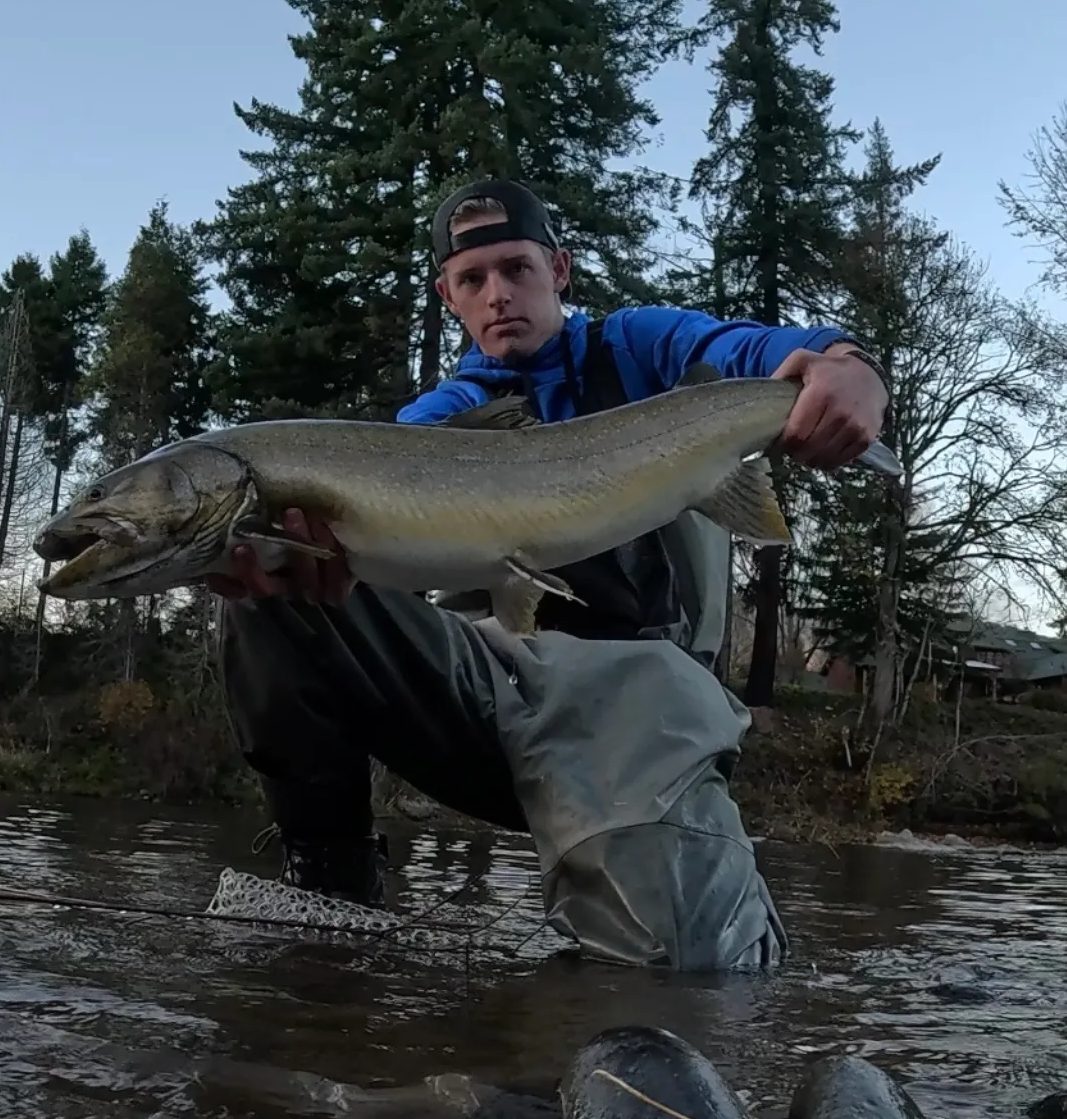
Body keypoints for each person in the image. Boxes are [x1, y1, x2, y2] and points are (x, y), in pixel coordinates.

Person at [208, 179, 889, 968]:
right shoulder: (427, 427)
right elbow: (370, 592)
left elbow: (757, 352)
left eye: (517, 269)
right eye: (473, 279)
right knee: (268, 587)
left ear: (558, 270)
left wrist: (850, 368)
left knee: (691, 968)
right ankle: (331, 886)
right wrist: (311, 574)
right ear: (448, 297)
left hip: (640, 711)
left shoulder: (640, 348)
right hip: (485, 699)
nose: (498, 294)